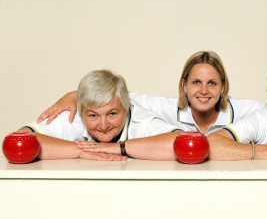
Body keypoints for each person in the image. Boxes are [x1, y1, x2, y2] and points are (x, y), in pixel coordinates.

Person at [37, 51, 267, 137]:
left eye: (212, 83)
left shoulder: (245, 111)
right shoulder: (164, 108)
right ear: (184, 85)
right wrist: (72, 95)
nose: (203, 91)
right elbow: (114, 96)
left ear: (224, 87)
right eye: (196, 83)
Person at [15, 69, 182, 161]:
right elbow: (18, 140)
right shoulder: (74, 117)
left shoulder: (143, 119)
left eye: (112, 114)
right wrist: (79, 151)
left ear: (126, 107)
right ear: (82, 112)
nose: (103, 125)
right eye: (93, 116)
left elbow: (184, 143)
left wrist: (119, 148)